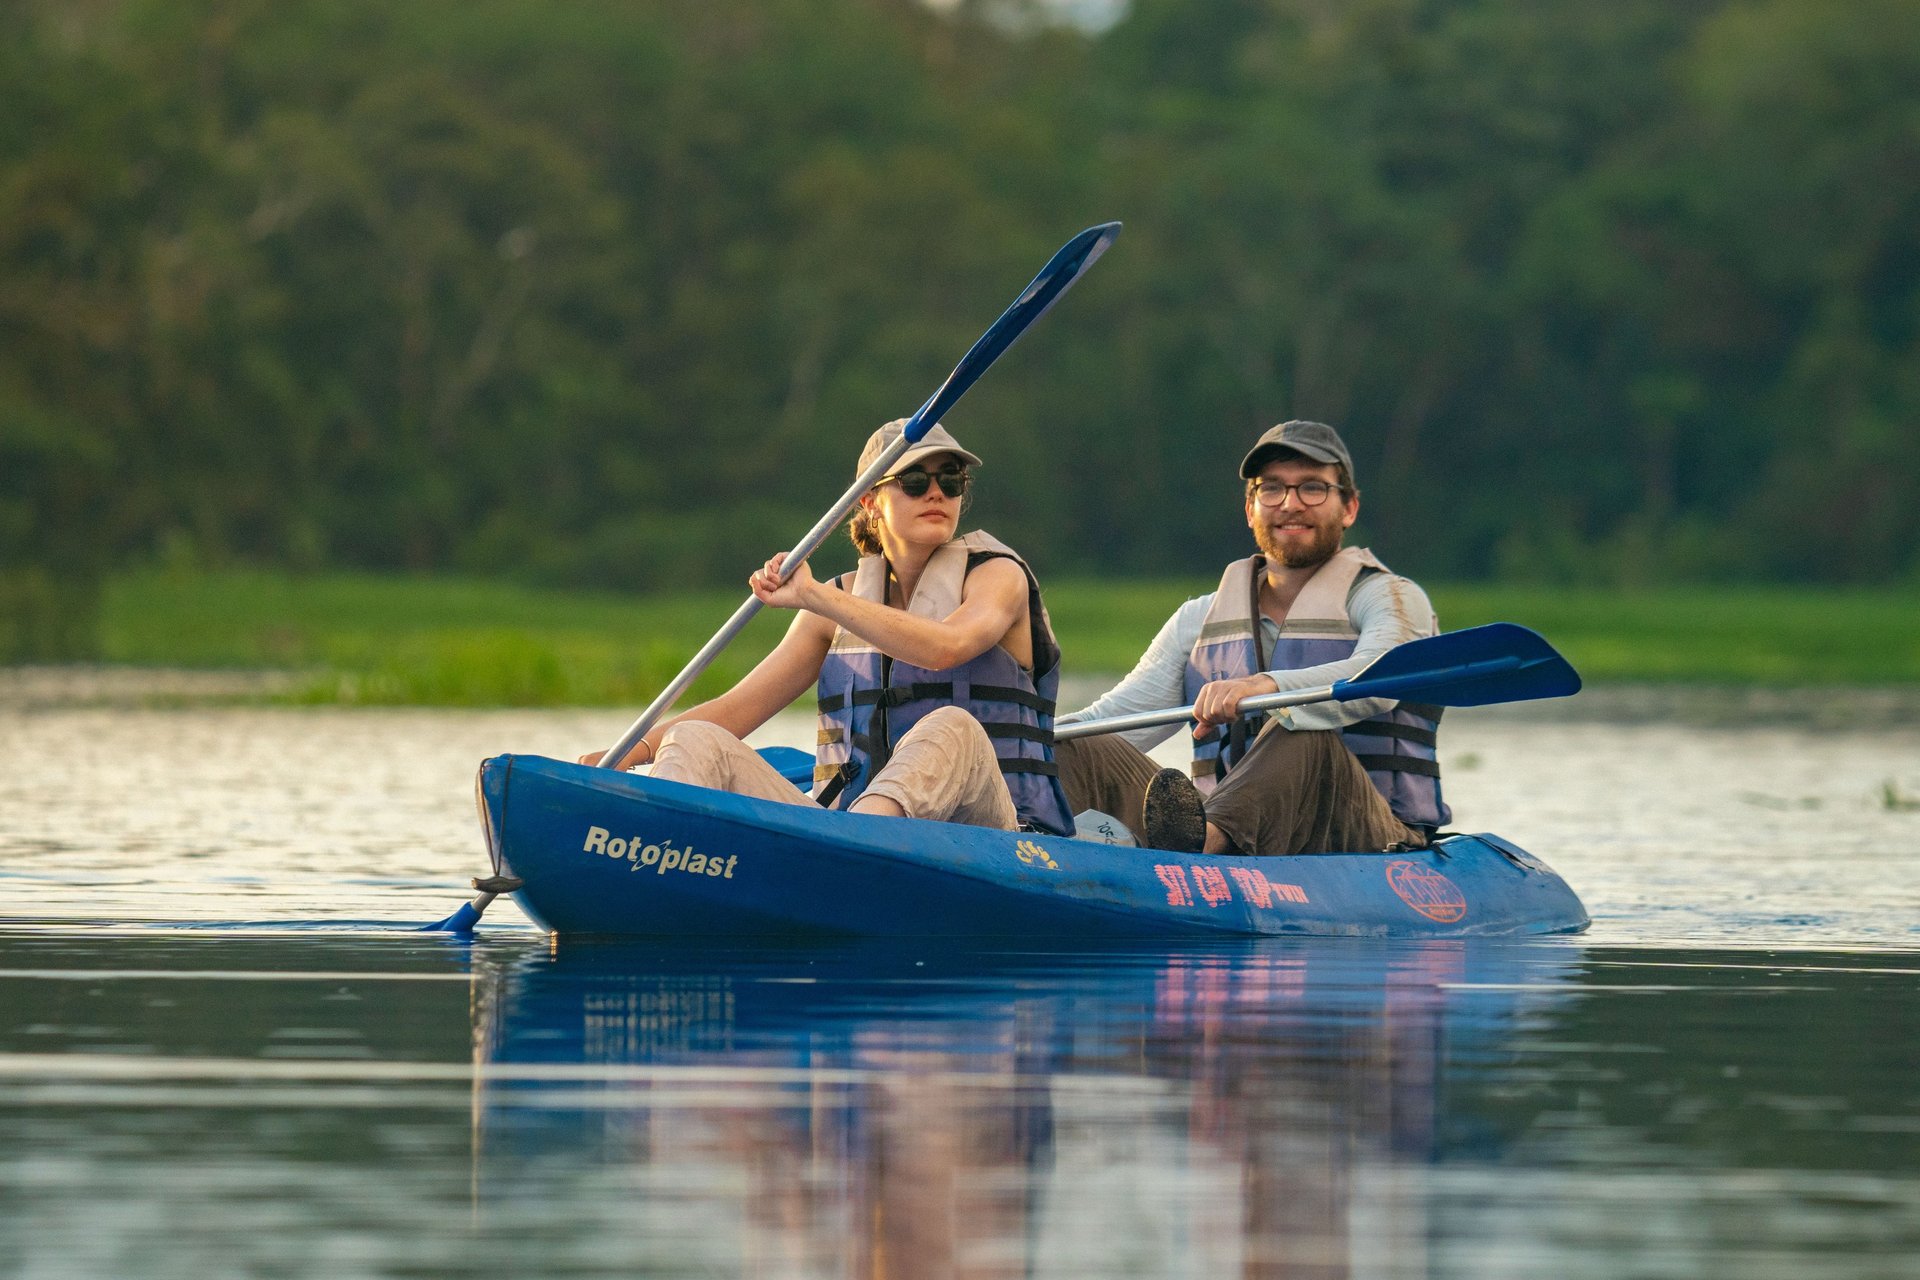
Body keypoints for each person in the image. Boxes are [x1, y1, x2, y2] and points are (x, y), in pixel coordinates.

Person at [581, 420, 1075, 836]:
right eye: (913, 480)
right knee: (695, 738)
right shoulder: (839, 601)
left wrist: (814, 595)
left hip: (997, 832)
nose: (936, 493)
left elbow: (947, 647)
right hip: (842, 827)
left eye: (950, 480)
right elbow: (735, 710)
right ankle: (646, 845)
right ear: (869, 501)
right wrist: (626, 754)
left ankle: (858, 847)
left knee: (953, 726)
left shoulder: (997, 575)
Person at [1055, 420, 1449, 855]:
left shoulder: (1392, 597)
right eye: (1272, 489)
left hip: (1370, 834)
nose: (1291, 504)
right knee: (1072, 743)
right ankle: (1041, 843)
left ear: (1349, 508)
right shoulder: (1197, 619)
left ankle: (1205, 843)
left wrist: (1266, 687)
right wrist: (1016, 742)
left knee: (1299, 721)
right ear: (1250, 509)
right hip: (1223, 829)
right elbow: (1116, 721)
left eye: (1313, 488)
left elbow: (1378, 678)